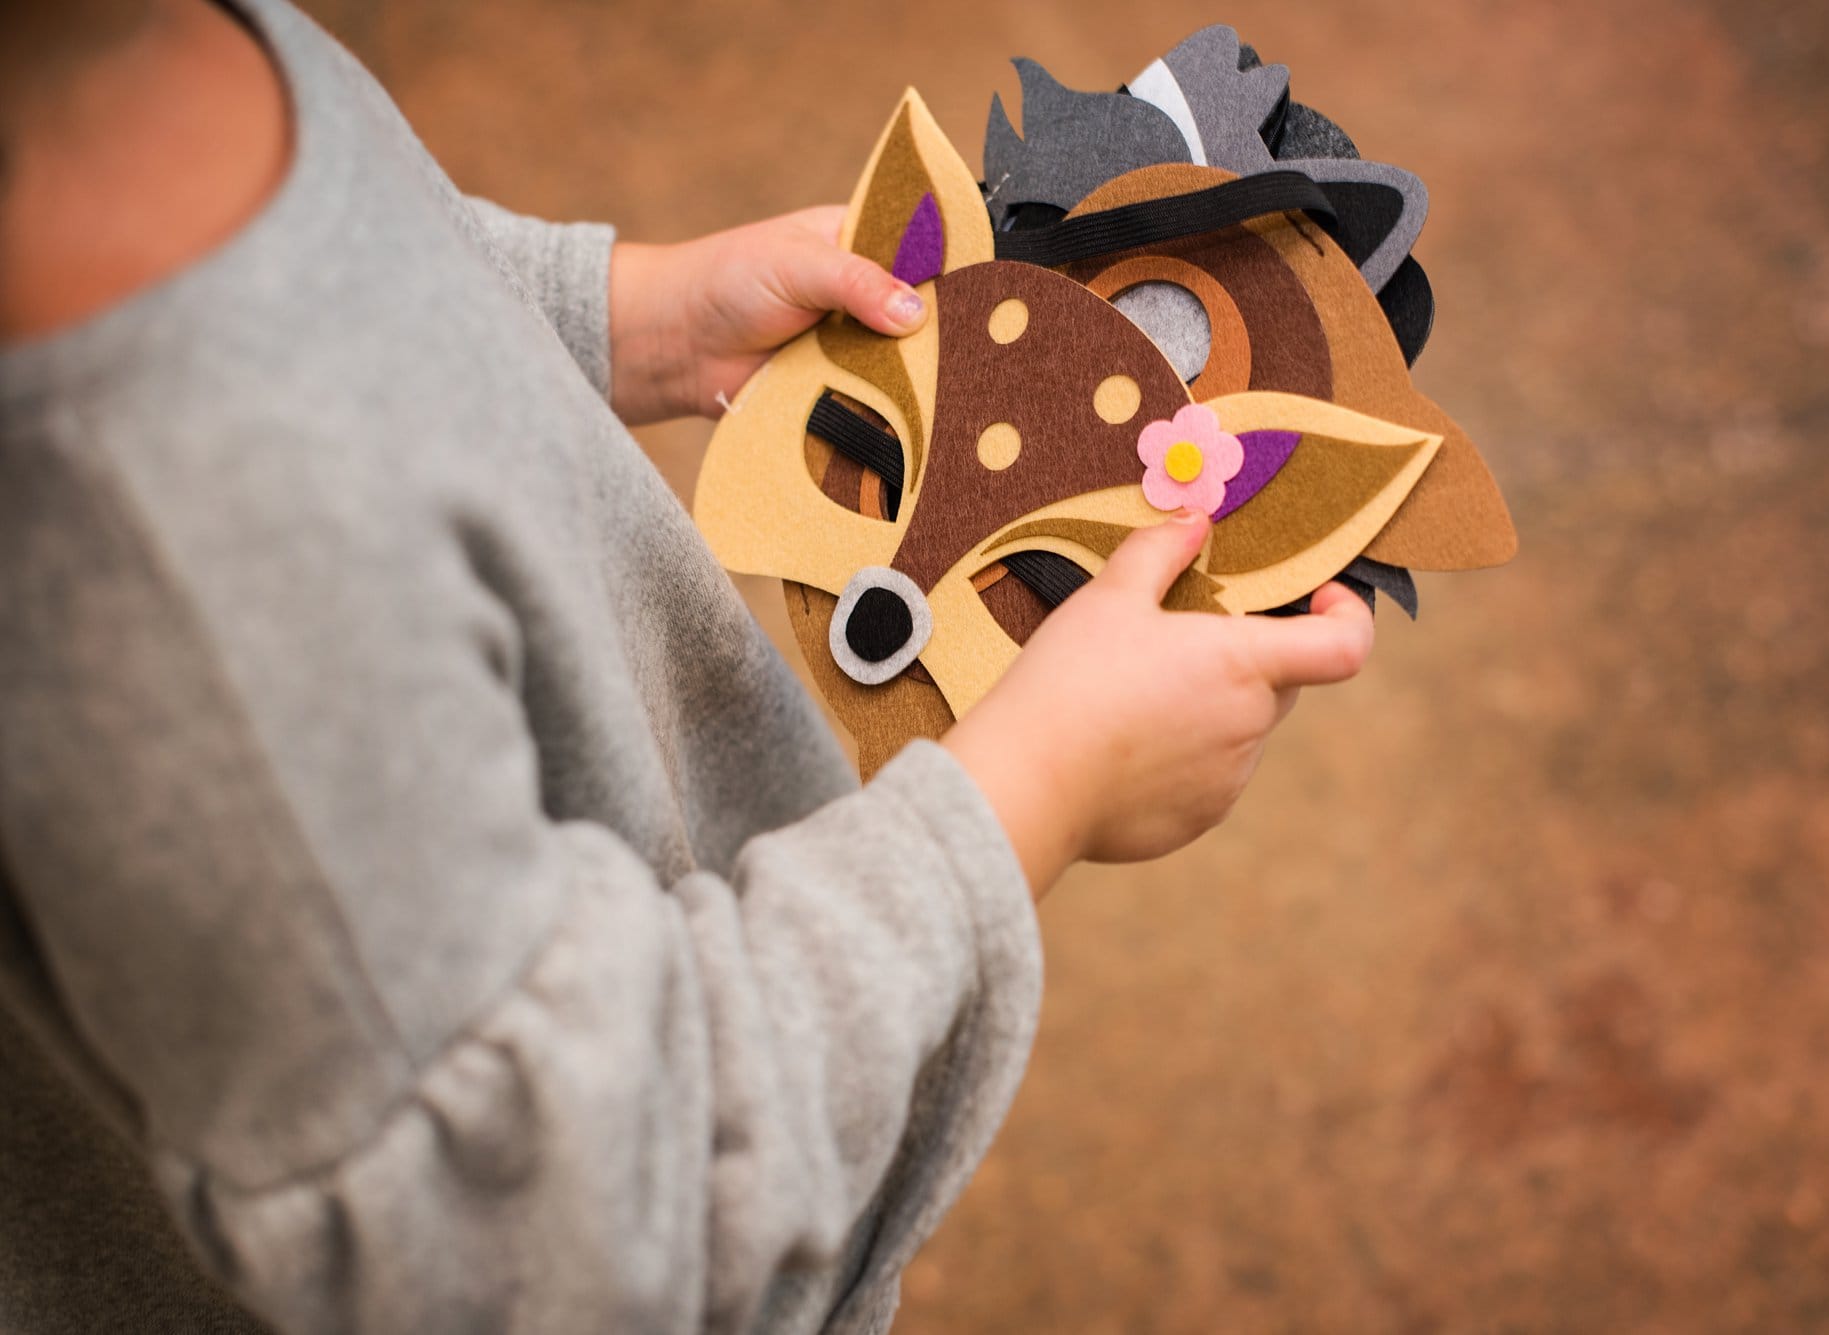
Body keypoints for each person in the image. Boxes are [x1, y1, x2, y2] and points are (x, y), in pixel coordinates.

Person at [0, 1, 1377, 1330]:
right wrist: (1034, 789)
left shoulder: (149, 56)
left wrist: (614, 311)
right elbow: (550, 1236)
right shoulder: (176, 577)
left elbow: (361, 281)